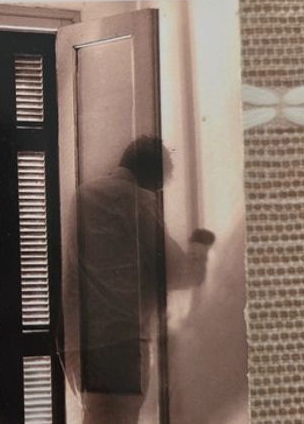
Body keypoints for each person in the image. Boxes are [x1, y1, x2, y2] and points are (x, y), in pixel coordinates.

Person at [76, 135, 212, 394]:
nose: (156, 194)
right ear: (151, 177)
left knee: (94, 417)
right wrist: (200, 247)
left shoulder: (82, 195)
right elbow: (177, 273)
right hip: (122, 341)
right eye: (158, 187)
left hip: (82, 341)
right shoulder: (139, 200)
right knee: (122, 418)